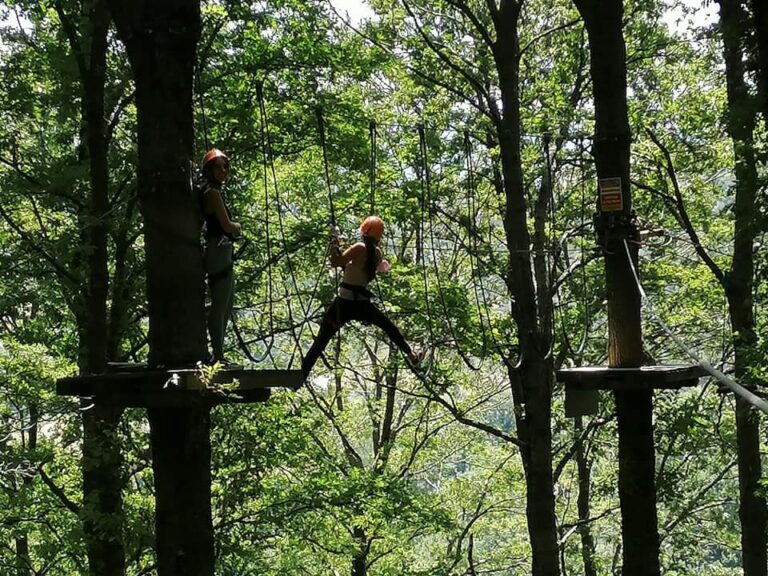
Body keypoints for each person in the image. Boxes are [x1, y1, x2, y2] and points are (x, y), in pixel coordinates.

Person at [302, 215, 421, 379]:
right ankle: (410, 353)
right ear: (379, 236)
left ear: (364, 230)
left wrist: (333, 246)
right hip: (362, 304)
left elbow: (336, 263)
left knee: (321, 341)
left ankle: (301, 375)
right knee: (388, 326)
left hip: (343, 303)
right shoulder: (376, 254)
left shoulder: (359, 247)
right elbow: (353, 270)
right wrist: (340, 250)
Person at [200, 148, 241, 366]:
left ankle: (219, 354)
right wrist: (238, 227)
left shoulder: (213, 191)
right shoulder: (212, 194)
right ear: (209, 170)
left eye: (225, 167)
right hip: (218, 251)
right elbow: (226, 225)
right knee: (220, 305)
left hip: (222, 251)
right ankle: (218, 356)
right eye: (218, 167)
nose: (223, 170)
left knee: (227, 304)